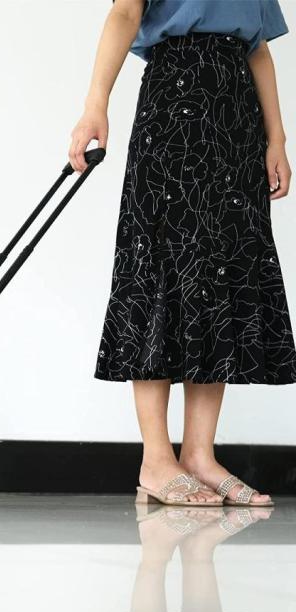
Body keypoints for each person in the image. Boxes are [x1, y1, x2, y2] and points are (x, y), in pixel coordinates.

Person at [69, 0, 295, 506]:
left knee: (219, 271)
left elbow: (258, 48)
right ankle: (155, 460)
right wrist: (96, 104)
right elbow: (125, 14)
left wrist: (277, 138)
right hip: (173, 102)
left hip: (237, 117)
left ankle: (198, 455)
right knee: (160, 266)